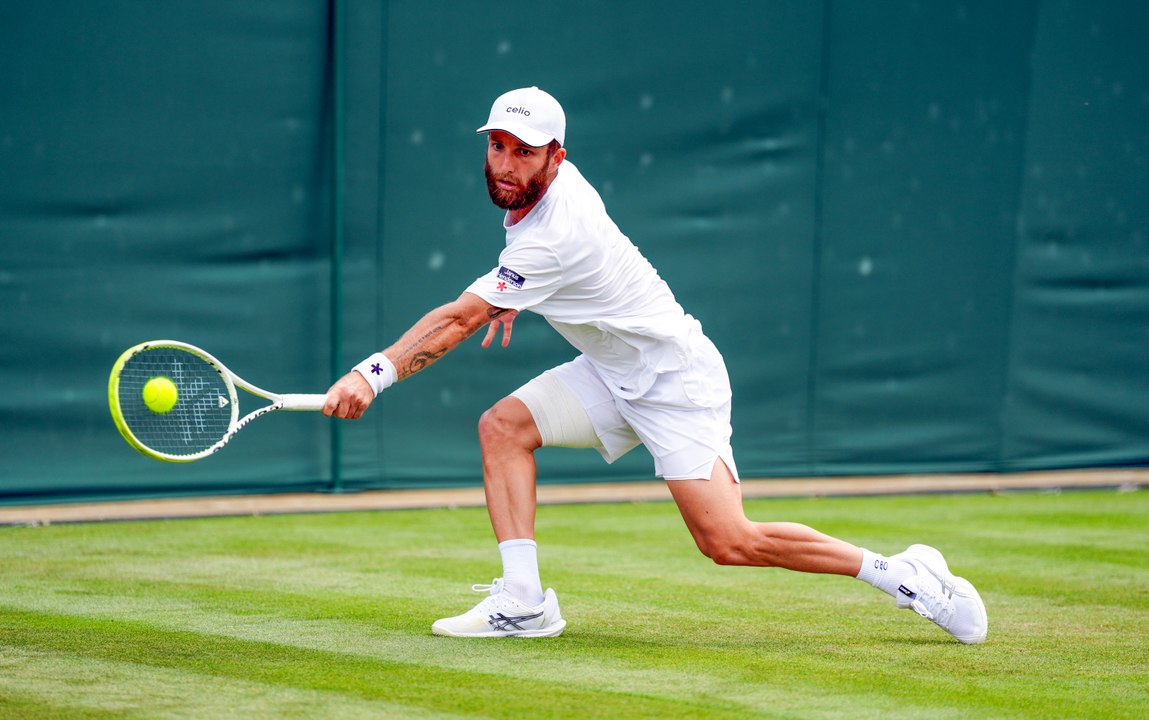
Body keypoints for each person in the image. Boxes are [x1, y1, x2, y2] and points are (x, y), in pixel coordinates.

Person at [322, 87, 988, 644]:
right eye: (496, 145)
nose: (504, 164)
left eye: (523, 152)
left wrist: (371, 374)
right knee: (503, 427)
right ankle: (523, 601)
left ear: (557, 156)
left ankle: (902, 576)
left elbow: (460, 317)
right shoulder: (536, 205)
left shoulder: (555, 232)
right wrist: (517, 295)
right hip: (612, 370)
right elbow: (527, 280)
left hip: (674, 382)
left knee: (728, 542)